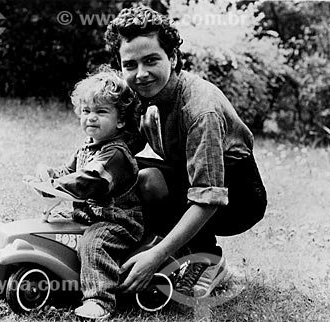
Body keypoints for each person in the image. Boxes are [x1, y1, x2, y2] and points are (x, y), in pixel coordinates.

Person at [104, 5, 267, 298]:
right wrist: (81, 177)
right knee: (127, 172)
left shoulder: (200, 109)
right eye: (130, 65)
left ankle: (207, 259)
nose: (141, 74)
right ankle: (132, 243)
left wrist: (154, 259)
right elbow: (121, 149)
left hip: (236, 195)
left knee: (148, 180)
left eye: (151, 60)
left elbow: (209, 197)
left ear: (174, 57)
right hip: (188, 172)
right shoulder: (140, 95)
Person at [32, 67, 144, 319]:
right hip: (91, 215)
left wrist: (56, 188)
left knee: (93, 242)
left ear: (121, 120)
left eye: (101, 112)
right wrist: (50, 176)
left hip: (118, 221)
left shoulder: (115, 154)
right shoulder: (88, 147)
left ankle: (99, 301)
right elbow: (69, 171)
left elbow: (89, 180)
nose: (91, 117)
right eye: (86, 111)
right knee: (56, 227)